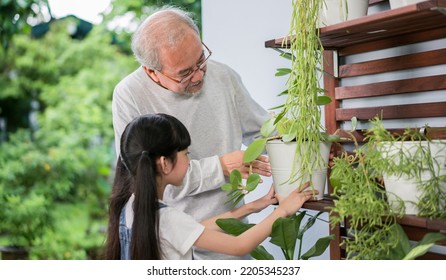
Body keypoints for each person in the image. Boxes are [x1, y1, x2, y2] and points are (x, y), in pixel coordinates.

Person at [111, 6, 271, 259]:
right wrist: (220, 167)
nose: (198, 75)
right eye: (185, 73)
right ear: (151, 71)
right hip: (170, 247)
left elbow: (265, 130)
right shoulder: (129, 95)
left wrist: (308, 146)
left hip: (227, 238)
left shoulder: (224, 76)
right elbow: (146, 174)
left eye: (201, 60)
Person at [105, 113, 316, 260]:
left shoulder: (131, 206)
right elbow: (239, 245)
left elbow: (196, 229)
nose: (189, 161)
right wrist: (284, 210)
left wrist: (251, 207)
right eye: (186, 154)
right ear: (164, 163)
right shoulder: (166, 219)